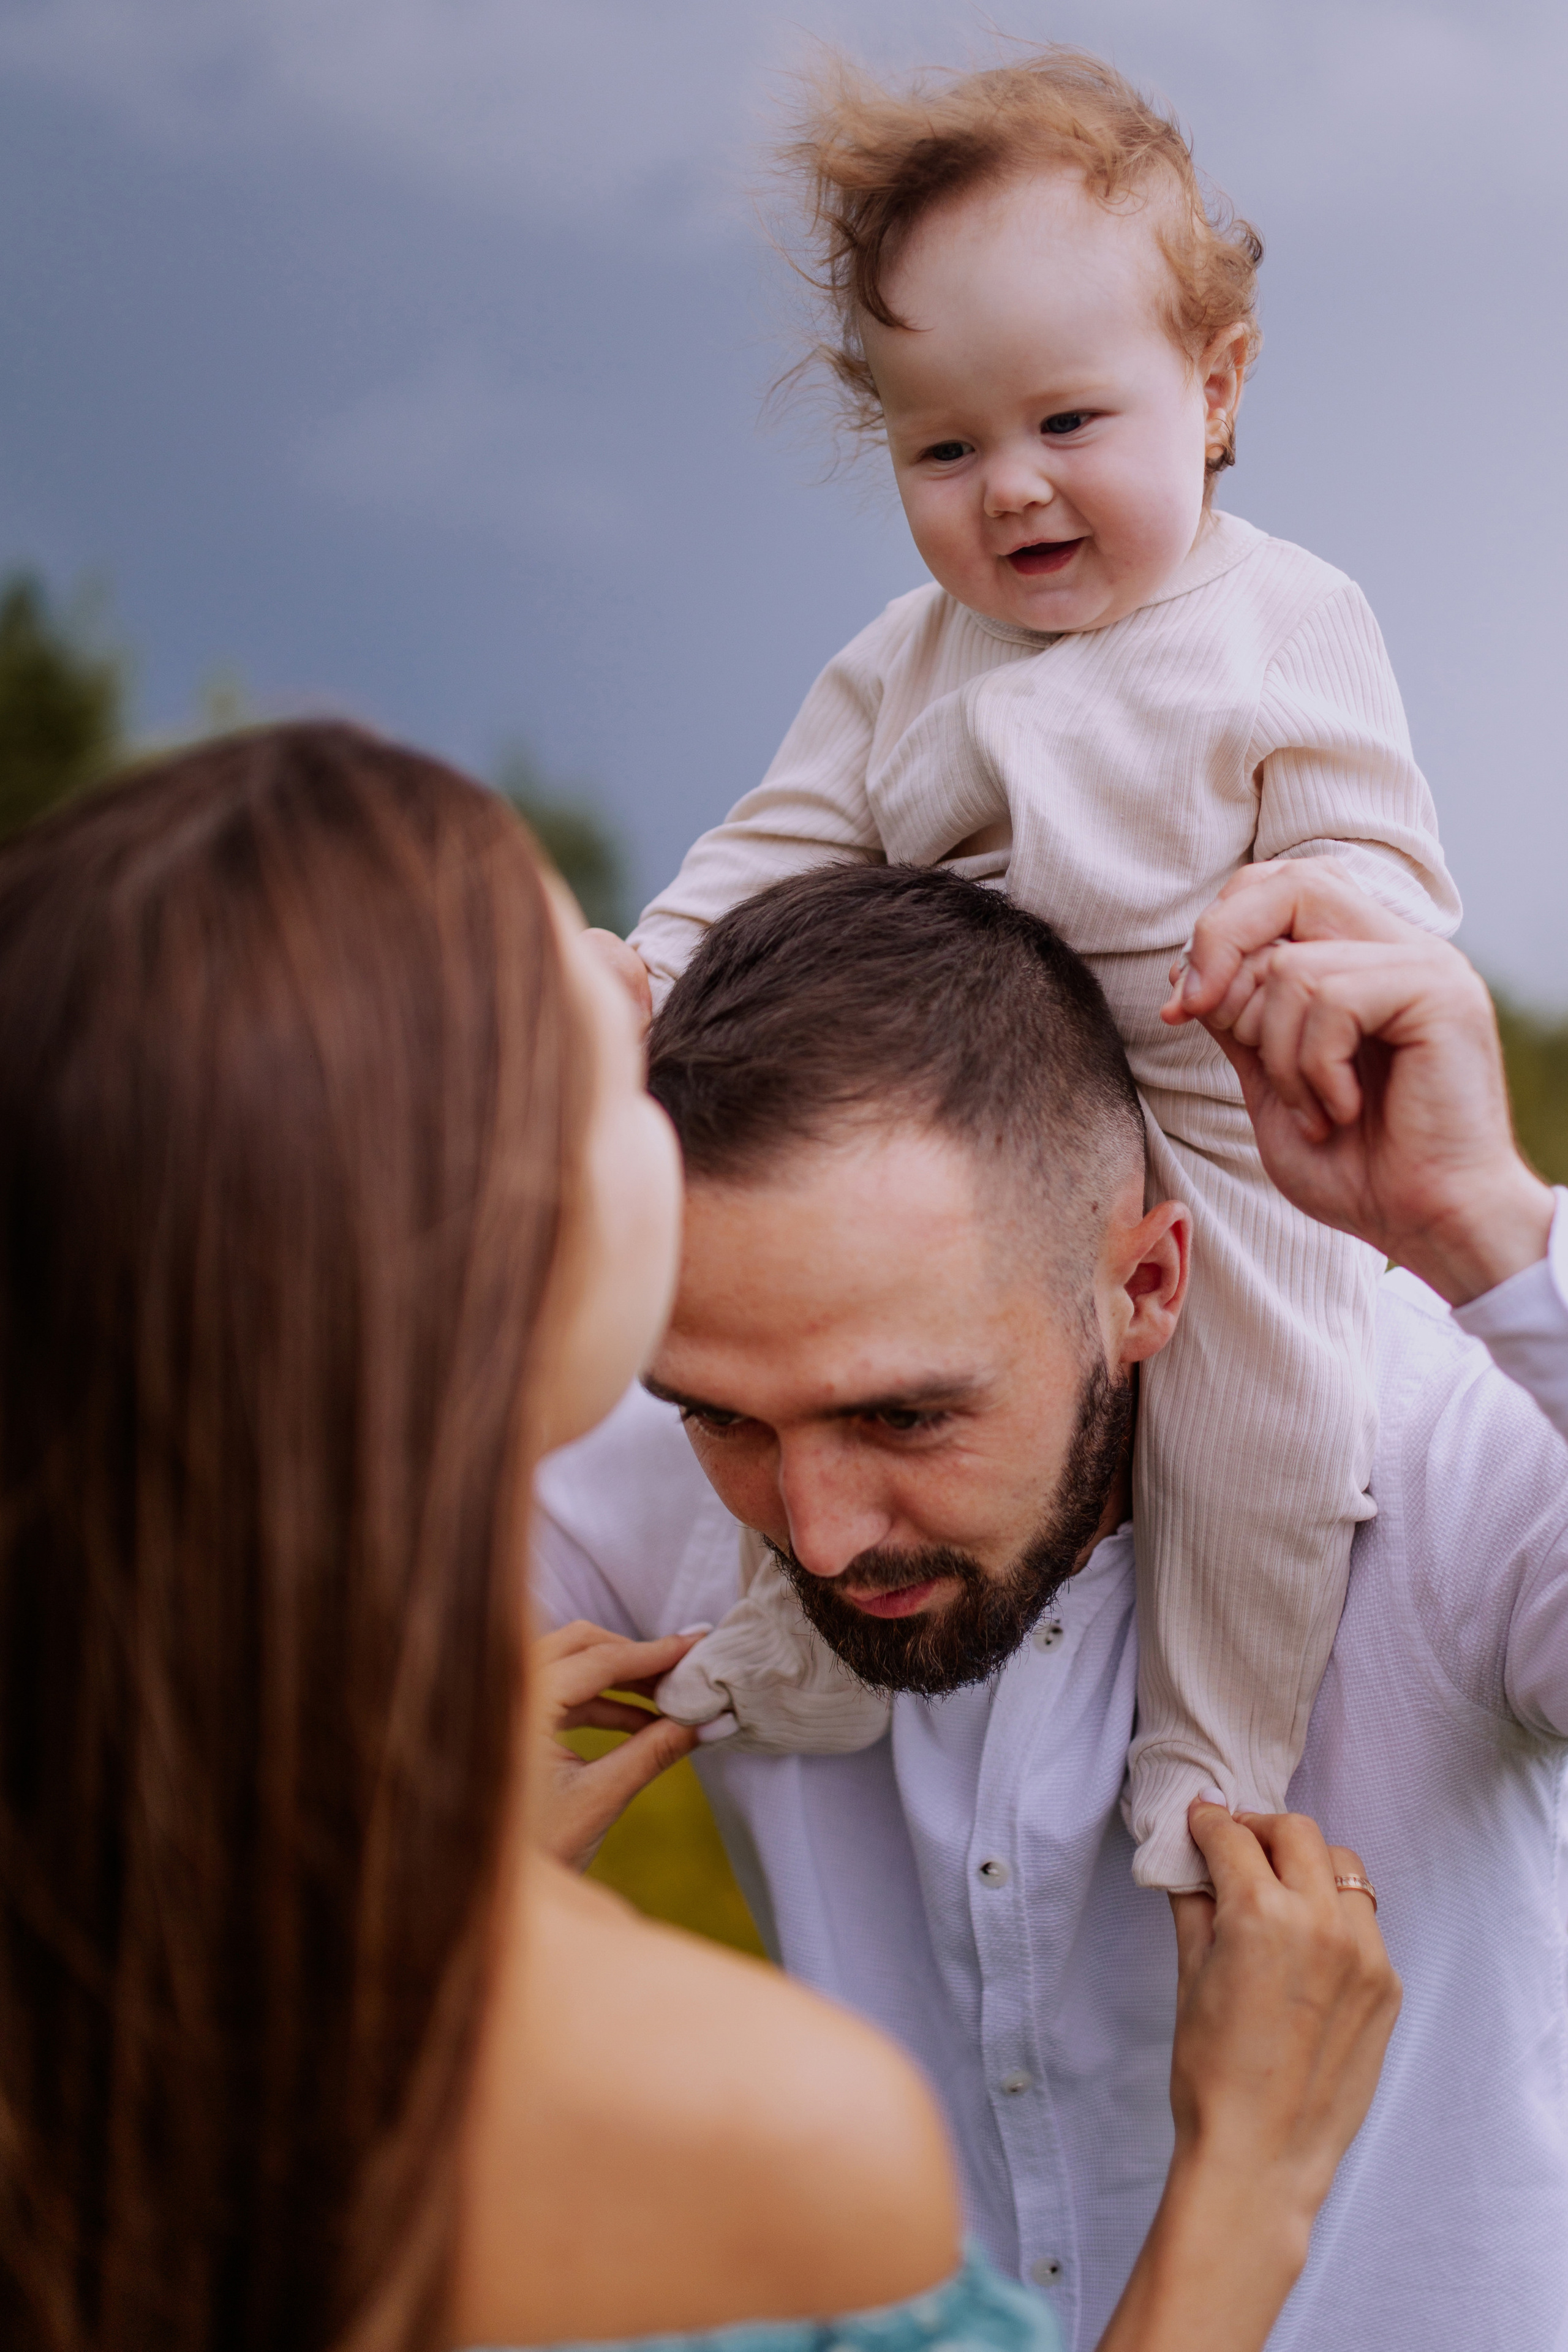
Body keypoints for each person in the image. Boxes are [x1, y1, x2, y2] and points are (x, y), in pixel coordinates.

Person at [0, 723, 1395, 2352]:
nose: (638, 978)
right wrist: (1249, 2195)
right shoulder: (767, 2137)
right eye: (584, 1020)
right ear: (493, 1233)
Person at [612, 44, 1462, 1894]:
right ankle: (793, 1648)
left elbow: (1383, 849)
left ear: (1215, 390)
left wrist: (1317, 911)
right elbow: (778, 844)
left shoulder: (1282, 619)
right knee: (803, 1364)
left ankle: (1207, 1762)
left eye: (1069, 424)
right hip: (948, 1107)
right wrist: (648, 972)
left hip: (1212, 1097)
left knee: (1270, 1432)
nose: (1011, 492)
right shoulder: (909, 659)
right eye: (945, 448)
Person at [539, 858, 1568, 2351]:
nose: (815, 1539)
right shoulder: (667, 1432)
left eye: (902, 1418)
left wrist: (1489, 1230)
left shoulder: (1449, 1452)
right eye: (721, 1419)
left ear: (1143, 1285)